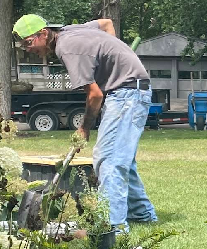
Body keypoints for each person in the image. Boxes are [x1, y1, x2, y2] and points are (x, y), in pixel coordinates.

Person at [13, 14, 157, 231]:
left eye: (28, 42)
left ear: (43, 33)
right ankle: (142, 214)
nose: (28, 49)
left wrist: (84, 128)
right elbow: (107, 23)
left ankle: (113, 227)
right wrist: (115, 53)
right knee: (120, 157)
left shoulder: (67, 48)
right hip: (131, 90)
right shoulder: (70, 29)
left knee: (109, 159)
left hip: (127, 94)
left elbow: (95, 95)